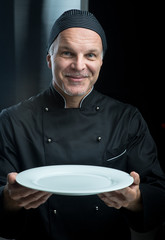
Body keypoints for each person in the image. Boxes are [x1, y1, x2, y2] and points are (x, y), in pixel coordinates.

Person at [0, 9, 165, 240]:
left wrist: (136, 200)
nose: (79, 66)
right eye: (67, 53)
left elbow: (158, 192)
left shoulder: (126, 119)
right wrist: (8, 199)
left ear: (101, 61)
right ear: (49, 59)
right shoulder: (12, 121)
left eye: (90, 55)